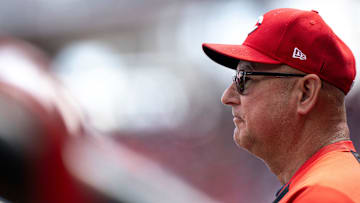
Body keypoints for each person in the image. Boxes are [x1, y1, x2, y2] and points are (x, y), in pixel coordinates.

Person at [202, 8, 360, 202]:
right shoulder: (329, 182)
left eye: (244, 78)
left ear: (305, 93)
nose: (227, 97)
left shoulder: (325, 193)